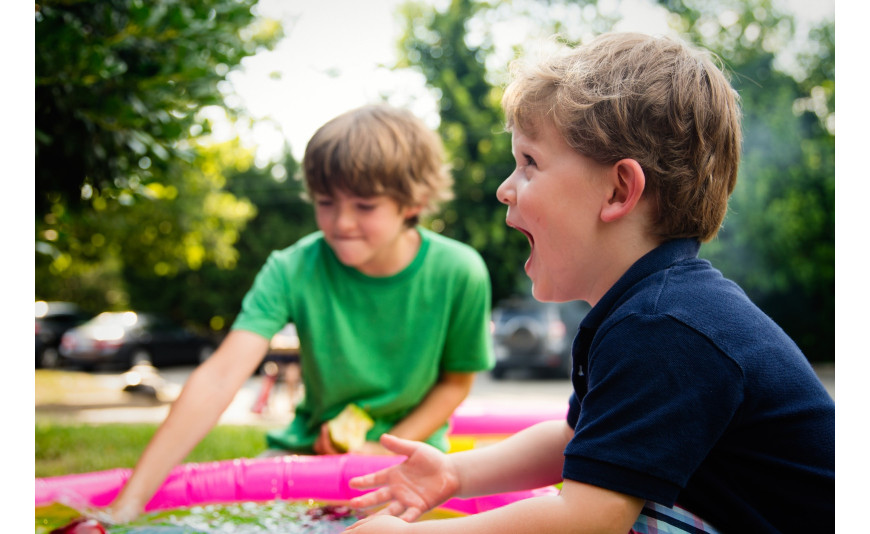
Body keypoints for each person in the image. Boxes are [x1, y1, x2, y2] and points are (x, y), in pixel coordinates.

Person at [342, 33, 835, 533]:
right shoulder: (648, 310)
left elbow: (587, 521)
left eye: (530, 163)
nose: (504, 188)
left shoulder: (666, 327)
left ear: (619, 189)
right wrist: (454, 472)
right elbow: (573, 439)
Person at [105, 104, 495, 522]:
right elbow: (219, 377)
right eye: (326, 202)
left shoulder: (460, 271)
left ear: (413, 202)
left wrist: (383, 447)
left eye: (364, 206)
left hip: (411, 459)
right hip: (305, 453)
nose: (342, 222)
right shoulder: (291, 268)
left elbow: (455, 383)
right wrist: (128, 503)